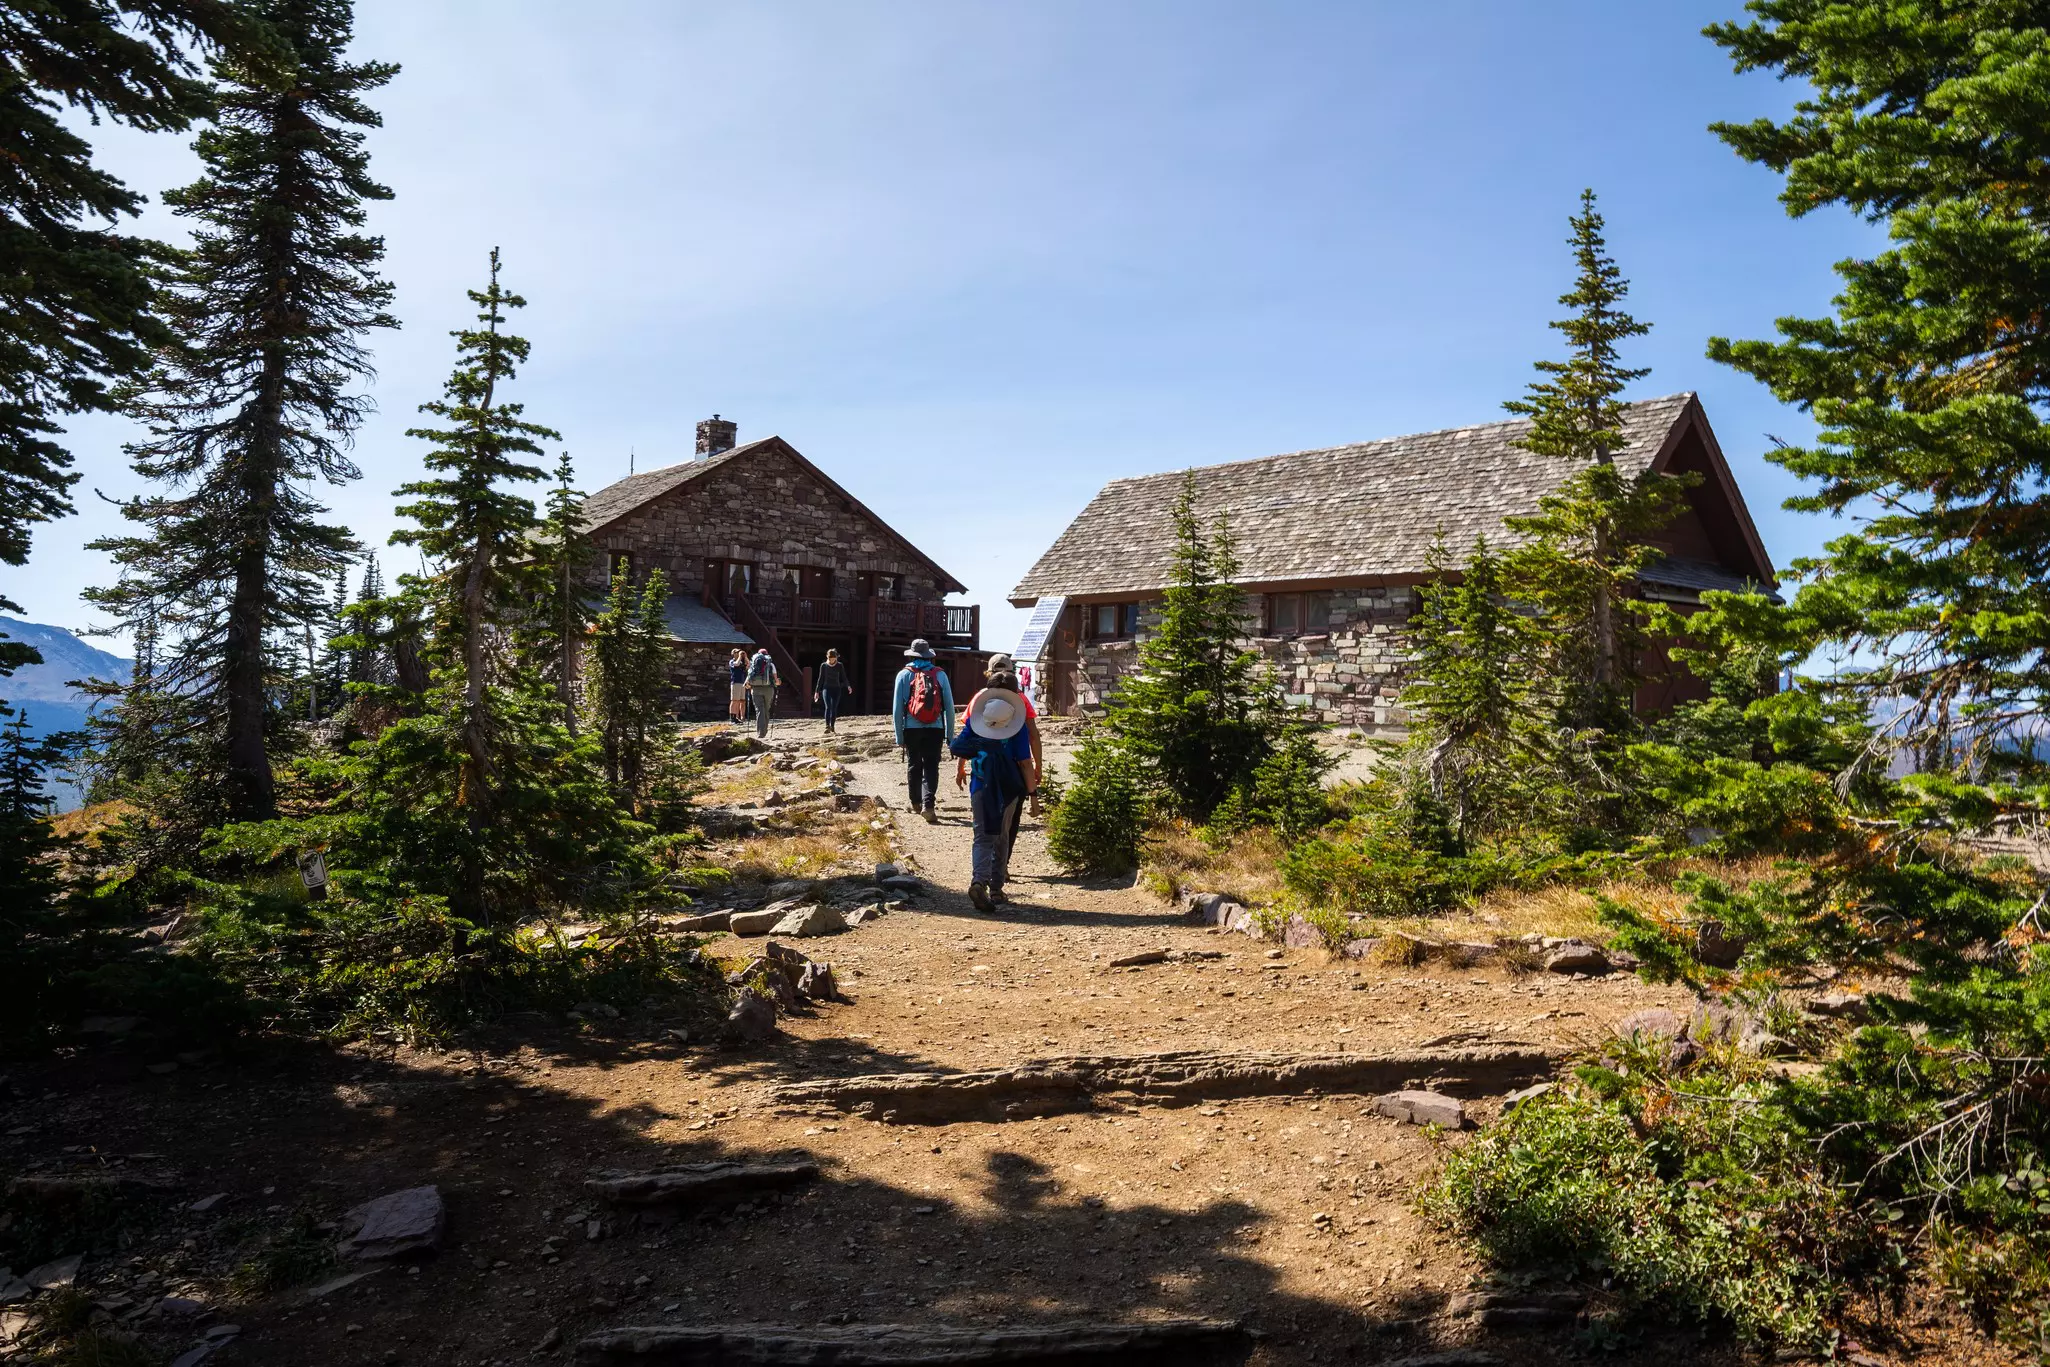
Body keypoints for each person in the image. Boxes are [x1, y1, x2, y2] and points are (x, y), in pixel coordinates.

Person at [949, 671, 1038, 912]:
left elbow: (957, 747)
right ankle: (997, 889)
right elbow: (1024, 762)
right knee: (1002, 835)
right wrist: (1033, 796)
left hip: (980, 782)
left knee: (982, 834)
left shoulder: (979, 720)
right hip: (1009, 786)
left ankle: (979, 881)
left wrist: (965, 762)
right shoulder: (1016, 726)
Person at [891, 639, 955, 823]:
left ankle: (916, 803)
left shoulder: (903, 675)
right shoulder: (940, 675)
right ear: (929, 656)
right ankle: (929, 805)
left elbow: (897, 708)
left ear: (911, 655)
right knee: (931, 766)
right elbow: (949, 708)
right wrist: (949, 735)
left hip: (912, 727)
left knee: (914, 764)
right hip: (935, 728)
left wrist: (899, 735)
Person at [744, 646, 779, 737]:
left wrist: (747, 685)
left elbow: (749, 678)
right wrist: (778, 683)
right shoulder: (771, 664)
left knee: (759, 710)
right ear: (767, 654)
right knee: (766, 710)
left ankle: (760, 732)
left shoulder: (753, 663)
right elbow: (776, 681)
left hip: (755, 689)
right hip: (768, 689)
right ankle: (765, 730)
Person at [814, 649, 851, 733]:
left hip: (836, 689)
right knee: (828, 707)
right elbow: (820, 679)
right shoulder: (823, 666)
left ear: (836, 658)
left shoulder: (839, 665)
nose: (832, 660)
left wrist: (848, 686)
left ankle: (832, 726)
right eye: (831, 658)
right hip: (826, 688)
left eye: (834, 658)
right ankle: (827, 726)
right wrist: (816, 691)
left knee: (834, 708)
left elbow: (844, 677)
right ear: (828, 657)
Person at [726, 648, 748, 725]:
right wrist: (739, 657)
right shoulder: (732, 661)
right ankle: (732, 718)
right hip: (735, 683)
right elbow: (736, 664)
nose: (739, 653)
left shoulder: (742, 661)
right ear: (733, 653)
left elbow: (749, 665)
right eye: (737, 652)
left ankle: (739, 717)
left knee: (741, 700)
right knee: (734, 700)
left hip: (742, 683)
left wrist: (745, 657)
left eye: (739, 652)